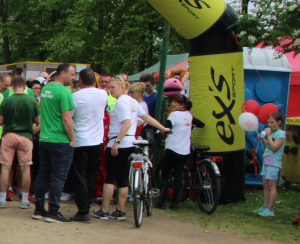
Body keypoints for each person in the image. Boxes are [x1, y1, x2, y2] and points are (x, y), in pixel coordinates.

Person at [96, 81, 169, 220]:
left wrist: (117, 142)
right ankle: (120, 210)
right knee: (123, 177)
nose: (111, 90)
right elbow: (146, 117)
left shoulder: (121, 102)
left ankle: (104, 210)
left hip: (119, 142)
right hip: (130, 142)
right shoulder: (132, 102)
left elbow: (127, 122)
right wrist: (162, 128)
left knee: (111, 178)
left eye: (113, 87)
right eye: (110, 87)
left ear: (123, 87)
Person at [31, 68, 75, 223]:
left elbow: (43, 113)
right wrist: (73, 138)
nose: (73, 77)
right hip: (60, 139)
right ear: (64, 74)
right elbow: (67, 118)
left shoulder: (46, 90)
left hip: (44, 138)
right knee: (58, 176)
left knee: (43, 174)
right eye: (72, 74)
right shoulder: (64, 92)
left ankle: (39, 208)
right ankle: (53, 211)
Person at [65, 68, 108, 222]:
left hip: (81, 140)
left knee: (80, 175)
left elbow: (70, 116)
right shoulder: (103, 94)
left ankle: (83, 210)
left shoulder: (76, 96)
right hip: (97, 140)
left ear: (81, 80)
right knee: (91, 174)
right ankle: (87, 204)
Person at [0, 75, 40, 209]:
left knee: (5, 167)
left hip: (9, 134)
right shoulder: (32, 100)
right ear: (25, 87)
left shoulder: (7, 101)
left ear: (13, 87)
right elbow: (38, 120)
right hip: (26, 136)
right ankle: (25, 199)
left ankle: (2, 198)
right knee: (26, 168)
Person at [157, 95, 201, 211]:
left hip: (172, 149)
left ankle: (162, 202)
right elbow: (201, 123)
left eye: (176, 102)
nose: (173, 104)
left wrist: (162, 132)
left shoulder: (173, 115)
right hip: (184, 151)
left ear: (182, 104)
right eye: (173, 102)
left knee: (165, 175)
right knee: (178, 176)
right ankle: (175, 204)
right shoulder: (189, 116)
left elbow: (167, 128)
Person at [257, 111, 285, 216]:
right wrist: (263, 140)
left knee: (272, 185)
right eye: (269, 122)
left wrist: (268, 136)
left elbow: (275, 147)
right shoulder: (272, 133)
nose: (270, 125)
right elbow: (269, 145)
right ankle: (265, 206)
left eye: (272, 122)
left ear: (279, 122)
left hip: (274, 163)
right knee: (265, 184)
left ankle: (270, 209)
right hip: (267, 161)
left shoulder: (281, 134)